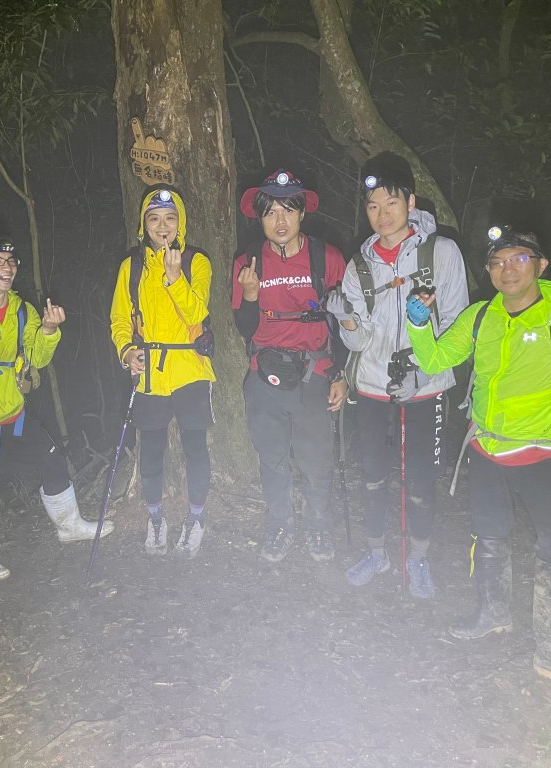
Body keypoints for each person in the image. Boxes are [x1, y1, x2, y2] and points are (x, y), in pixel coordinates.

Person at [406, 223, 551, 697]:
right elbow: (436, 359)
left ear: (540, 265)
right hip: (485, 446)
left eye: (518, 259)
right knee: (488, 531)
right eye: (498, 261)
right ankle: (492, 613)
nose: (507, 269)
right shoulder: (481, 315)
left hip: (540, 450)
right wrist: (419, 324)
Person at [323, 153, 469, 599]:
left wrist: (423, 375)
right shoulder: (360, 265)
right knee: (372, 475)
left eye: (391, 202)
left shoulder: (441, 253)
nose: (382, 214)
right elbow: (360, 340)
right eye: (372, 206)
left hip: (426, 388)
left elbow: (458, 327)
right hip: (372, 386)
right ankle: (376, 553)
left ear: (410, 201)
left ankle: (418, 559)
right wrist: (347, 320)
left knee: (421, 480)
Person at [0, 235, 112, 582]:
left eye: (11, 261)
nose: (7, 267)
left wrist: (48, 330)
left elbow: (37, 358)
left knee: (51, 457)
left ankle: (69, 526)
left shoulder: (22, 310)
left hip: (12, 411)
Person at [232, 169, 348, 563]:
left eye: (288, 210)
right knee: (273, 457)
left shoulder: (327, 258)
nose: (279, 221)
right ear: (259, 217)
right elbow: (244, 327)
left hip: (315, 375)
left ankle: (318, 526)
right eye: (270, 212)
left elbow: (345, 322)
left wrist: (341, 374)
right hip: (264, 375)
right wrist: (250, 294)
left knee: (317, 459)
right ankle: (279, 525)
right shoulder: (247, 261)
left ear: (302, 213)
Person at [110, 187, 215, 558]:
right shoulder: (132, 267)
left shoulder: (197, 262)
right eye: (153, 219)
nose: (162, 226)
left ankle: (196, 519)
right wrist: (127, 352)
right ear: (144, 225)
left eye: (170, 218)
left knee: (195, 449)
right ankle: (155, 519)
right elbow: (120, 319)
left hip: (190, 368)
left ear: (180, 223)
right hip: (150, 373)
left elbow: (197, 313)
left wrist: (174, 278)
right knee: (151, 452)